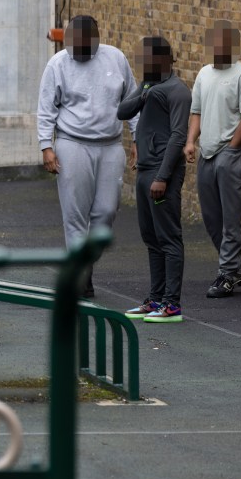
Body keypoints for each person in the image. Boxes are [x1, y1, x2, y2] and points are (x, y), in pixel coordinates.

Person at [37, 15, 138, 298]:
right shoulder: (57, 64)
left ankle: (85, 264)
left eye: (83, 44)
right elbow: (46, 107)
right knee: (75, 214)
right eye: (72, 44)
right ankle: (80, 276)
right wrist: (47, 145)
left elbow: (132, 100)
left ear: (96, 39)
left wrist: (138, 138)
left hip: (110, 145)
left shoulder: (115, 59)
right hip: (73, 143)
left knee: (106, 211)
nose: (77, 50)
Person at [118, 36, 191, 322]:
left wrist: (162, 177)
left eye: (147, 58)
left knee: (168, 237)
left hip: (163, 173)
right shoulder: (148, 86)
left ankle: (172, 305)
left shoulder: (178, 91)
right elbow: (122, 112)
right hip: (145, 169)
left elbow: (177, 136)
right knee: (151, 238)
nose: (142, 63)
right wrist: (143, 92)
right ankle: (156, 298)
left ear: (162, 59)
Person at [184, 20, 241, 299]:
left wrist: (233, 148)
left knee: (232, 219)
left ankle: (226, 274)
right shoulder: (203, 74)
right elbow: (196, 112)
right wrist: (190, 141)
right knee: (212, 219)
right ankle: (235, 269)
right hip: (207, 155)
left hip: (232, 155)